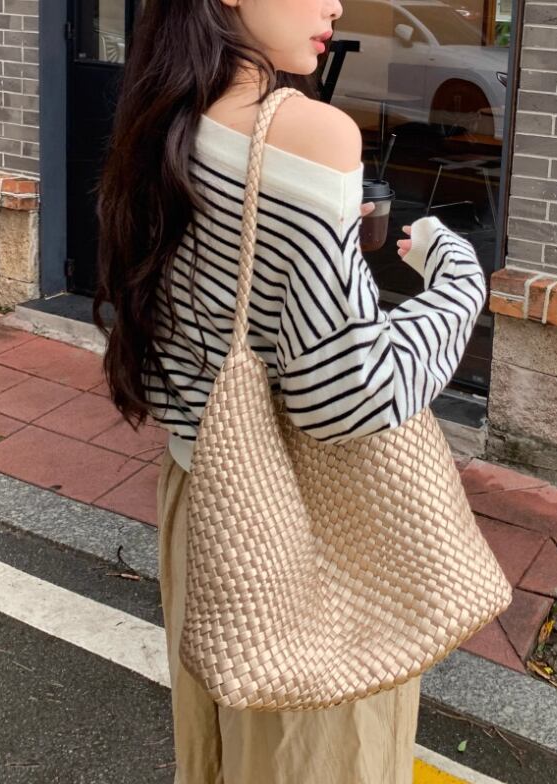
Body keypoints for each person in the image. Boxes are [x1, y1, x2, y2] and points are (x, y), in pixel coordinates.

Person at [92, 1, 487, 782]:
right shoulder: (311, 132)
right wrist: (456, 279)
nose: (336, 4)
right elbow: (348, 398)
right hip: (313, 530)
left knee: (216, 755)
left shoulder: (164, 116)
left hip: (206, 502)